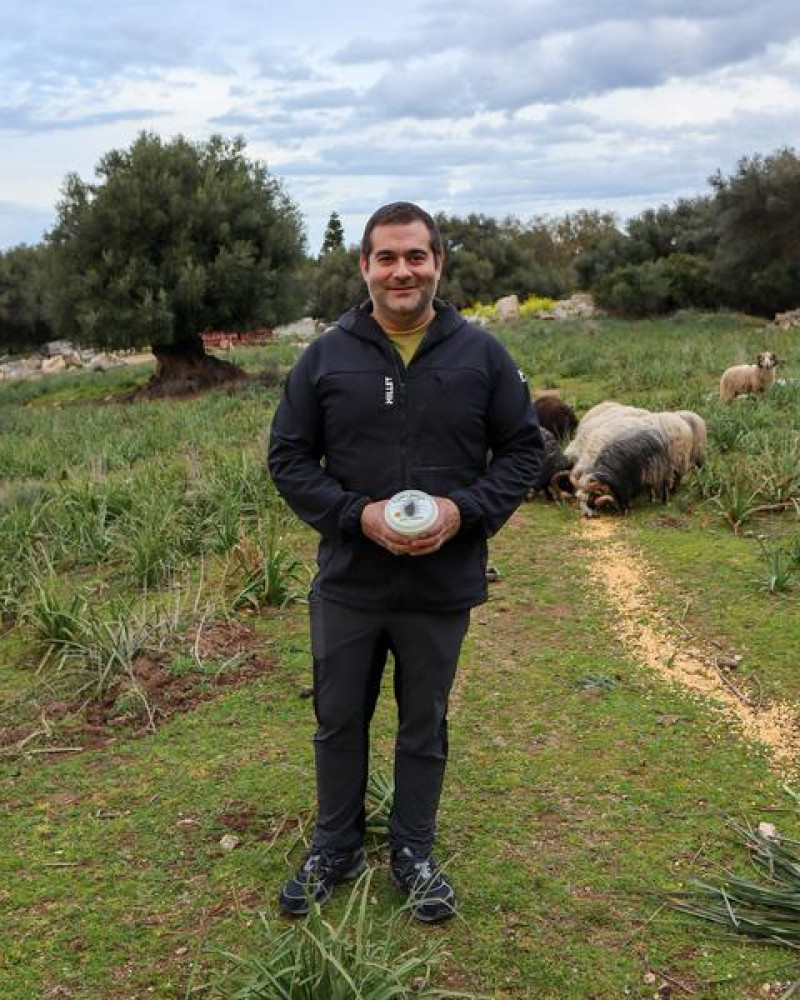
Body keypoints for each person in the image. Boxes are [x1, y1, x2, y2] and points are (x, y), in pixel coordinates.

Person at [268, 201, 543, 922]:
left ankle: (413, 852)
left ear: (438, 263)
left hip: (439, 583)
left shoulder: (482, 355)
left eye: (415, 256)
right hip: (350, 581)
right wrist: (354, 515)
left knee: (424, 720)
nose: (401, 271)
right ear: (364, 266)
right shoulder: (325, 357)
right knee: (338, 719)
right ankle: (336, 846)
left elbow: (524, 451)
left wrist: (465, 511)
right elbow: (288, 458)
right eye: (386, 257)